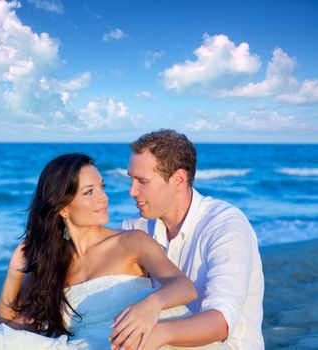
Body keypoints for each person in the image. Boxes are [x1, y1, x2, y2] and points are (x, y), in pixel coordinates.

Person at [0, 153, 224, 350]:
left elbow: (183, 286)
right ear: (63, 207)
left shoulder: (131, 242)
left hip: (123, 346)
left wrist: (151, 304)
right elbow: (8, 331)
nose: (104, 198)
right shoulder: (54, 265)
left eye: (101, 187)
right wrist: (14, 273)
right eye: (89, 192)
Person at [112, 130, 264, 350]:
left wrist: (155, 320)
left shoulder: (225, 226)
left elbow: (221, 323)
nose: (131, 191)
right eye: (131, 179)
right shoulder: (135, 227)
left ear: (178, 180)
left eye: (142, 181)